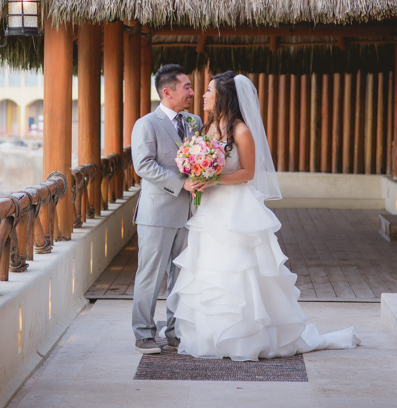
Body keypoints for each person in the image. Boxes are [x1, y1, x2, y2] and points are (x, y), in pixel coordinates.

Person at [166, 72, 361, 361]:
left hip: (235, 207)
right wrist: (198, 172)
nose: (203, 95)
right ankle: (210, 336)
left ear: (223, 96)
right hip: (209, 208)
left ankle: (246, 337)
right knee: (209, 265)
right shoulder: (206, 129)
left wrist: (215, 178)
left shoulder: (241, 130)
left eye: (208, 90)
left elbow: (248, 173)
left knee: (239, 267)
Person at [130, 64, 204, 354]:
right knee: (150, 274)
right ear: (167, 91)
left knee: (181, 275)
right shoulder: (146, 124)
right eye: (186, 87)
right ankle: (144, 333)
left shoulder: (194, 121)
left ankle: (175, 331)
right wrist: (182, 184)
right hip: (157, 213)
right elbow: (144, 165)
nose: (192, 92)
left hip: (191, 213)